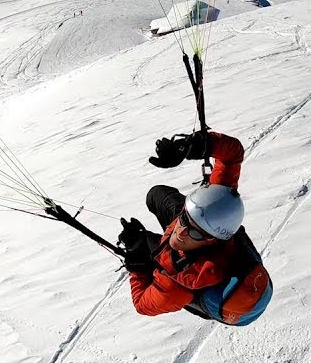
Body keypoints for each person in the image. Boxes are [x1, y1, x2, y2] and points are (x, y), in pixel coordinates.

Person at [117, 130, 272, 326]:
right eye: (184, 219)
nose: (181, 231)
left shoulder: (176, 289)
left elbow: (141, 304)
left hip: (182, 270)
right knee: (156, 195)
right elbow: (232, 155)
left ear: (212, 241)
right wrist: (193, 146)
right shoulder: (220, 210)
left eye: (195, 232)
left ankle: (150, 243)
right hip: (195, 246)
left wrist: (137, 267)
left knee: (143, 242)